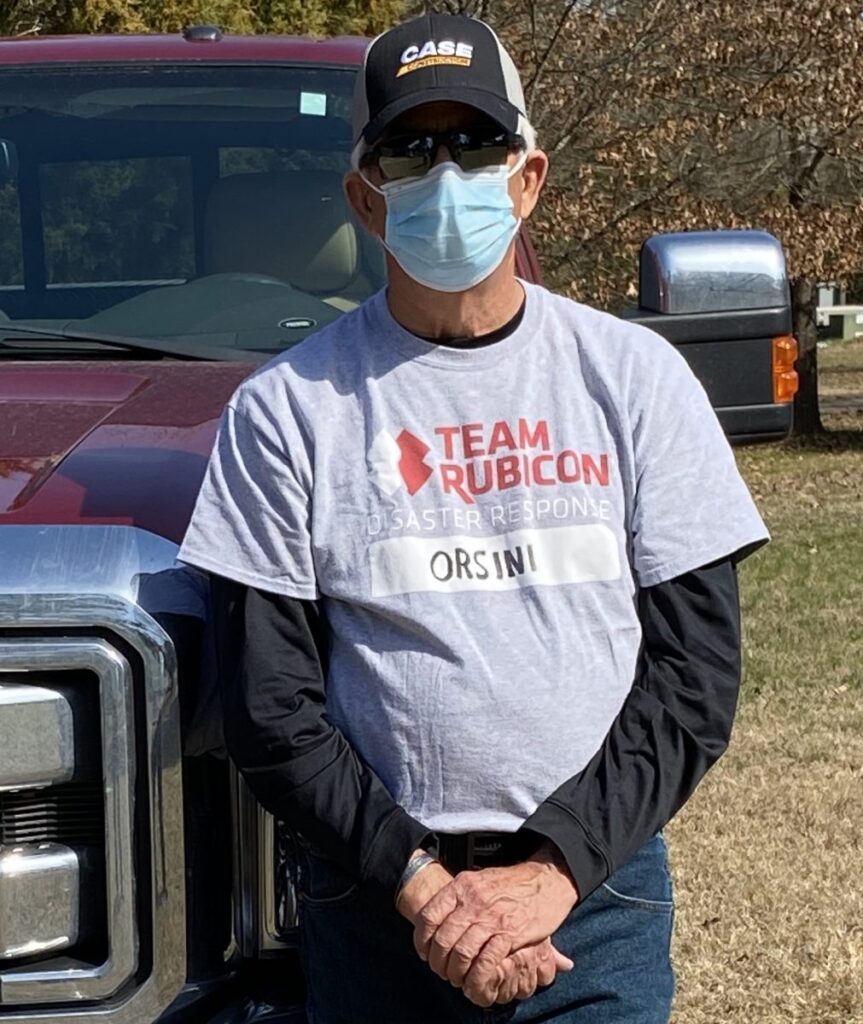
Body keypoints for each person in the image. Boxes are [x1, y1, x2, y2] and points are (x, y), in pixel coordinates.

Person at [178, 11, 769, 1022]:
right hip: (376, 906)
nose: (445, 174)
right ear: (364, 198)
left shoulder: (636, 380)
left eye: (475, 143)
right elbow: (269, 706)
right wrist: (420, 885)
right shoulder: (284, 411)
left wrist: (552, 873)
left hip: (593, 900)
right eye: (409, 150)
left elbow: (693, 678)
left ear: (527, 178)